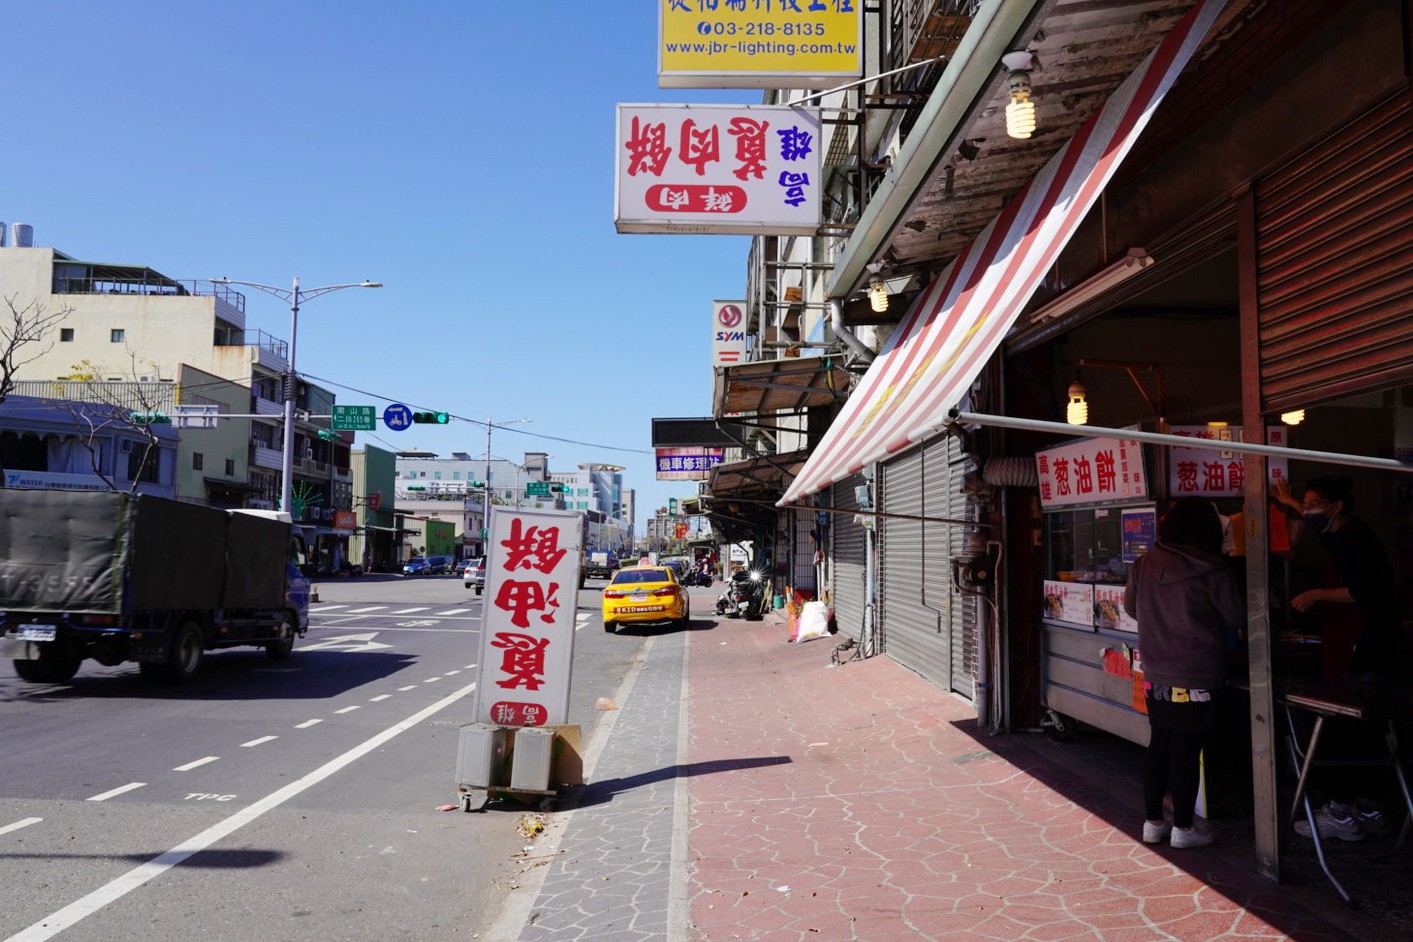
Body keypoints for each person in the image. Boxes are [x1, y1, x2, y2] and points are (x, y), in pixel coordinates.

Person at [1271, 473, 1399, 841]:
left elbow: (1362, 590)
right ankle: (1369, 807)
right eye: (1307, 504)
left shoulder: (1352, 539)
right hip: (1364, 647)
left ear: (1336, 506)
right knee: (1367, 730)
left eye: (1314, 505)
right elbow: (1323, 531)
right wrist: (1292, 503)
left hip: (1364, 648)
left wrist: (1316, 595)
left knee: (1348, 728)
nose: (1309, 512)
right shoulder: (1343, 531)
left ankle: (1341, 813)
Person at [1124, 498, 1244, 849]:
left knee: (1159, 743)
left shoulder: (1144, 564)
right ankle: (1184, 829)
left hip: (1156, 673)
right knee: (1187, 749)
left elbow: (1131, 607)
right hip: (1198, 674)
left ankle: (1153, 823)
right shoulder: (1214, 570)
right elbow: (1236, 616)